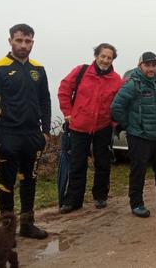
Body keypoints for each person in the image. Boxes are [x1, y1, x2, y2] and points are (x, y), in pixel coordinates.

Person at [0, 23, 50, 239]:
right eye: (19, 40)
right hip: (8, 134)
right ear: (10, 40)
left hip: (32, 135)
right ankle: (6, 231)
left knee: (29, 180)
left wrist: (46, 131)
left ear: (33, 42)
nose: (23, 45)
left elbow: (45, 100)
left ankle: (27, 225)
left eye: (28, 41)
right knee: (6, 183)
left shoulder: (38, 69)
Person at [111, 52, 156, 217]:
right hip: (139, 136)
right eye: (147, 65)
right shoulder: (132, 85)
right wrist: (129, 125)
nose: (151, 68)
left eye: (153, 65)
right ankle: (136, 204)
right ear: (140, 66)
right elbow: (116, 107)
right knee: (138, 171)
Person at [57, 43, 123, 214]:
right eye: (103, 56)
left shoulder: (116, 80)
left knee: (103, 163)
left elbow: (119, 105)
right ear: (96, 56)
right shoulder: (81, 71)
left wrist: (115, 123)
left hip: (103, 126)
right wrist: (67, 113)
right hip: (79, 126)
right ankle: (73, 200)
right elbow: (64, 89)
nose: (105, 60)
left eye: (109, 57)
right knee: (77, 163)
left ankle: (100, 196)